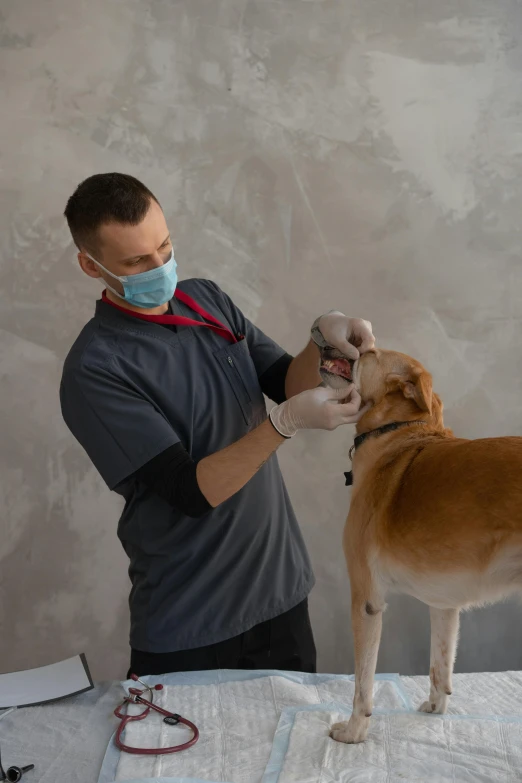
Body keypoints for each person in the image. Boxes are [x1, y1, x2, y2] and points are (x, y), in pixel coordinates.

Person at [60, 173, 375, 677]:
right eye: (137, 261)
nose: (159, 267)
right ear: (90, 265)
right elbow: (190, 491)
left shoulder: (206, 301)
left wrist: (321, 337)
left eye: (164, 247)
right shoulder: (96, 369)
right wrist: (286, 423)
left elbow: (286, 382)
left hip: (280, 596)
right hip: (190, 624)